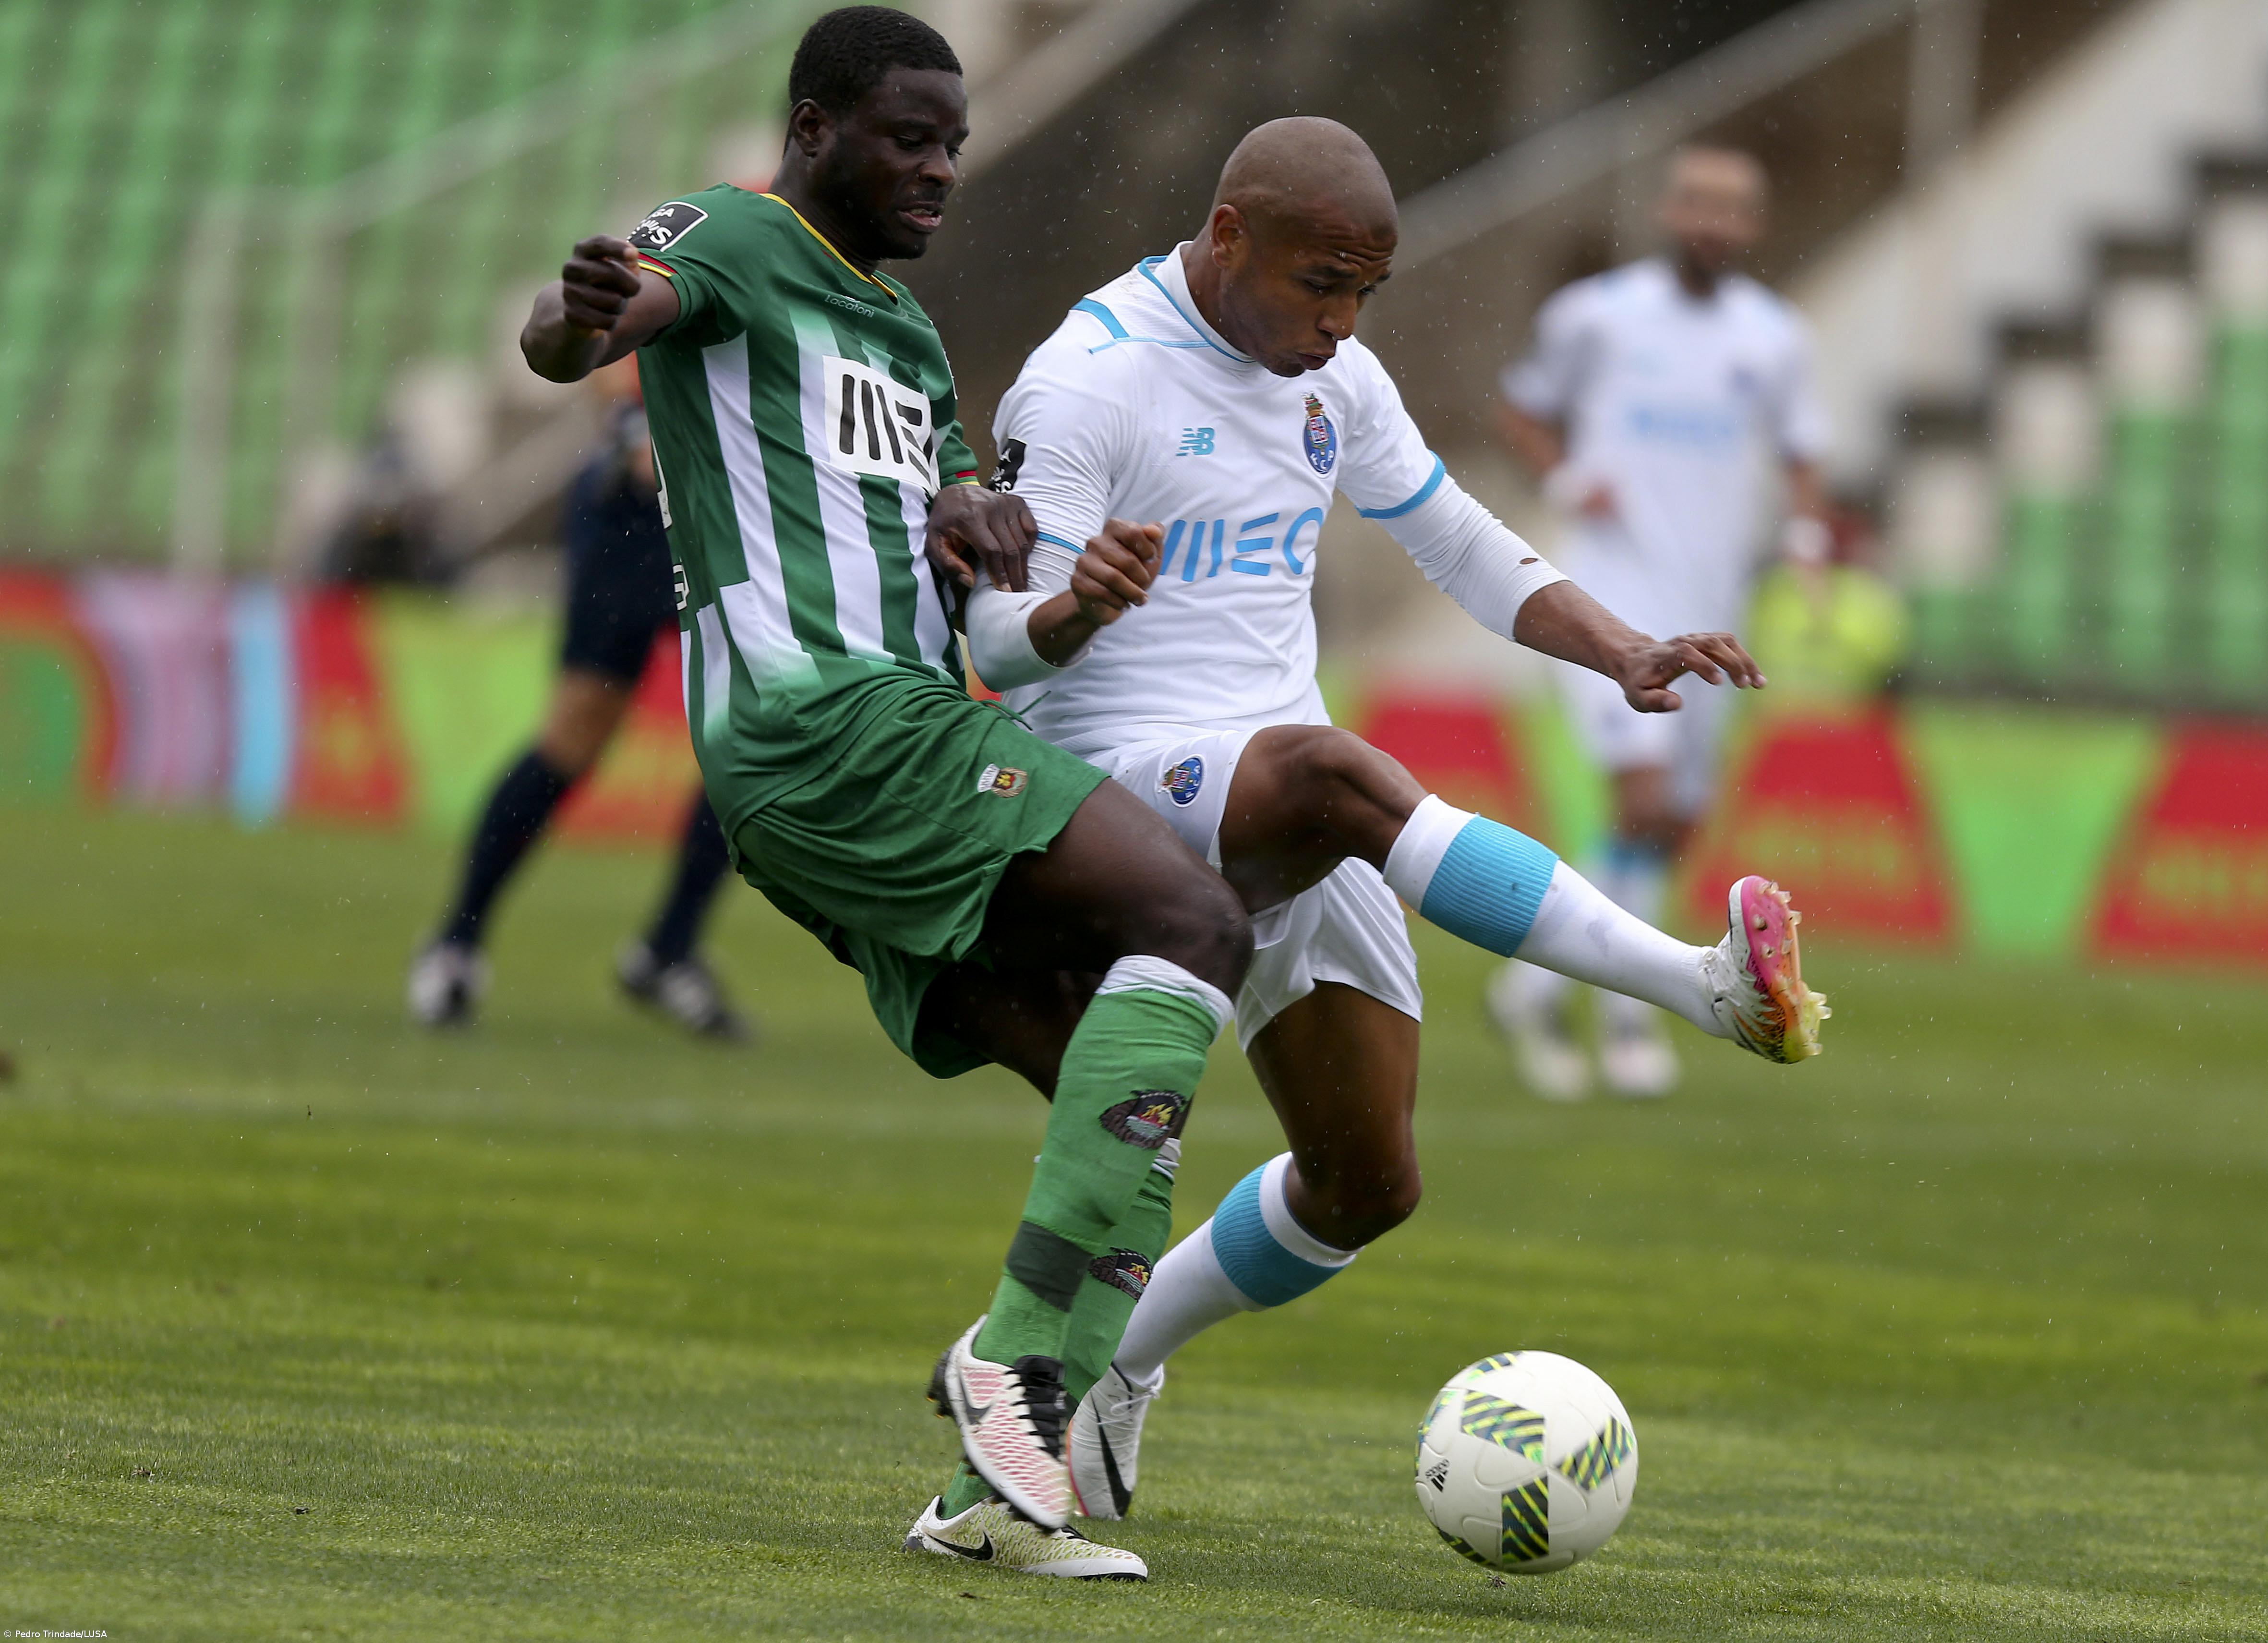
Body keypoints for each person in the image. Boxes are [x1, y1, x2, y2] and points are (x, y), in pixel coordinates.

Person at [944, 117, 1828, 1524]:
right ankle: (1699, 990)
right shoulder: (1091, 376)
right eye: (1320, 284)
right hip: (1114, 780)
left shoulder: (1334, 376)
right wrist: (1070, 607)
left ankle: (1105, 1365)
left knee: (1363, 1181)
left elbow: (1456, 535)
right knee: (1348, 775)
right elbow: (991, 628)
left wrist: (1622, 648)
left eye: (1365, 292)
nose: (1342, 321)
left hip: (1272, 783)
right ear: (1229, 235)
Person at [513, 5, 1258, 1582]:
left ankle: (1001, 1477)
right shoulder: (737, 235)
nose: (938, 171)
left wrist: (1034, 573)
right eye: (907, 139)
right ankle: (1017, 1374)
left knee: (1103, 1068)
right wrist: (576, 322)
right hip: (825, 724)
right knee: (1193, 918)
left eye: (953, 146)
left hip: (880, 736)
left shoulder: (914, 348)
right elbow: (592, 325)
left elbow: (979, 593)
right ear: (811, 130)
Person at [1489, 145, 1833, 1099]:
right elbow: (1521, 409)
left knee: (1675, 826)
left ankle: (1529, 986)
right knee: (1638, 803)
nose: (1711, 223)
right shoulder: (1597, 315)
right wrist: (1563, 477)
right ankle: (1631, 1019)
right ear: (1666, 210)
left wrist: (1804, 537)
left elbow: (1802, 450)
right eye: (1696, 203)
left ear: (1752, 226)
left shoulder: (1771, 337)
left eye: (1731, 208)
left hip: (1715, 605)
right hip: (1611, 595)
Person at [407, 397, 748, 1039]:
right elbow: (609, 345)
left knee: (752, 737)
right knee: (576, 732)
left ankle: (668, 951)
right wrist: (648, 430)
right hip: (647, 493)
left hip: (735, 497)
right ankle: (456, 941)